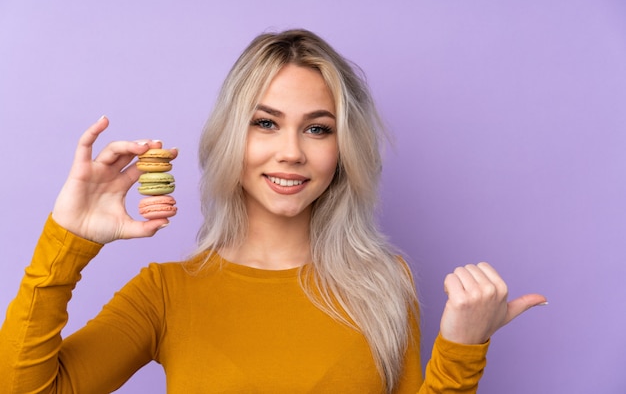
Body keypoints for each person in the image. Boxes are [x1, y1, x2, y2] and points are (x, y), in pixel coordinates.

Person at [0, 29, 546, 393]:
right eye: (265, 122)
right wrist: (68, 239)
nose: (291, 150)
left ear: (342, 149)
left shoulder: (384, 283)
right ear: (231, 136)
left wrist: (462, 350)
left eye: (317, 128)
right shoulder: (166, 294)